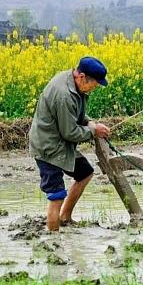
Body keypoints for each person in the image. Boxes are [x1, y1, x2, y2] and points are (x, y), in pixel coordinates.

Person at [28, 56, 111, 231]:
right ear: (81, 77)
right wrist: (94, 131)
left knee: (85, 173)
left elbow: (74, 116)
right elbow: (70, 132)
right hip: (48, 148)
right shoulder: (64, 94)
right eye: (94, 84)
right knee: (56, 195)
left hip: (60, 144)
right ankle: (53, 242)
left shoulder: (72, 82)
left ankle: (65, 217)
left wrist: (90, 123)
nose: (94, 88)